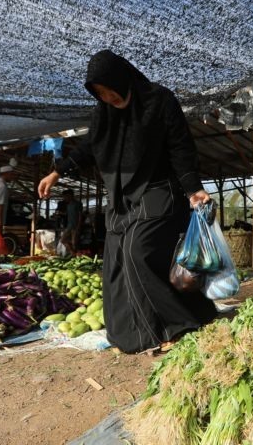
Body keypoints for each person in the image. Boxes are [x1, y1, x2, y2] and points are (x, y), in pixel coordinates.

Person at [38, 49, 217, 354]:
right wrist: (57, 172)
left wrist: (193, 188)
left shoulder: (158, 101)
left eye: (110, 89)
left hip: (159, 191)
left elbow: (180, 146)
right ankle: (134, 333)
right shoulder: (104, 114)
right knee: (116, 261)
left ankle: (175, 325)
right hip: (122, 198)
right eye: (100, 94)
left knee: (138, 252)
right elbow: (88, 147)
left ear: (122, 79)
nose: (108, 98)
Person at [59, 189, 82, 257]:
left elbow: (80, 215)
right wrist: (60, 213)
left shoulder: (78, 204)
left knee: (74, 242)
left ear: (70, 195)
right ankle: (73, 253)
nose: (64, 198)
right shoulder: (68, 205)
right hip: (69, 226)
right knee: (63, 240)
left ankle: (76, 256)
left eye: (65, 196)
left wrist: (78, 226)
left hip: (75, 226)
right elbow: (68, 214)